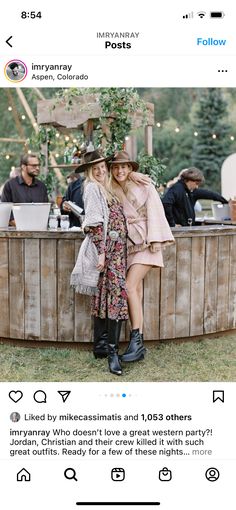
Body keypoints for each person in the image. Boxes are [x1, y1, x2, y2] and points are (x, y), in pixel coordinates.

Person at [110, 151, 175, 363]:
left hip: (147, 241)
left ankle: (136, 340)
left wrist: (157, 240)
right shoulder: (111, 188)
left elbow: (156, 211)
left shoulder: (144, 185)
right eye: (116, 167)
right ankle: (137, 344)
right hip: (129, 245)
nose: (120, 170)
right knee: (134, 290)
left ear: (131, 168)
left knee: (129, 287)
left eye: (125, 167)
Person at [71, 150, 128, 376]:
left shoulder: (106, 188)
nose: (101, 170)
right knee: (115, 298)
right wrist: (103, 254)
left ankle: (101, 347)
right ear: (89, 171)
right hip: (109, 253)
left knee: (106, 297)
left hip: (117, 252)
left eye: (103, 166)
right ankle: (112, 354)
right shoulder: (93, 188)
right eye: (95, 168)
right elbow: (94, 224)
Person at [162, 167, 228, 227]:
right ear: (189, 180)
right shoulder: (177, 189)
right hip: (179, 231)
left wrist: (225, 202)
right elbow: (166, 203)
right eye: (196, 184)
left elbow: (211, 194)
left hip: (188, 228)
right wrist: (172, 224)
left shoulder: (193, 191)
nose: (197, 187)